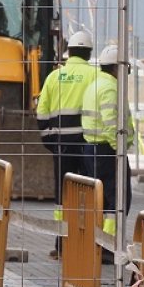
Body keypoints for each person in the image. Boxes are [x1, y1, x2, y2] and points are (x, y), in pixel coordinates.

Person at [36, 29, 99, 257]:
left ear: (68, 52)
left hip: (62, 145)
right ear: (89, 53)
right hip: (88, 144)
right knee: (89, 193)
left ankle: (62, 244)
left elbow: (41, 113)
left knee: (63, 196)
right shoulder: (96, 76)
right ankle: (86, 243)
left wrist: (51, 142)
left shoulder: (55, 76)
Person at [81, 44, 135, 264]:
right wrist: (119, 149)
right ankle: (108, 244)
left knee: (101, 198)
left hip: (93, 149)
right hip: (108, 150)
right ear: (117, 68)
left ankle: (99, 242)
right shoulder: (111, 88)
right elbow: (111, 123)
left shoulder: (95, 84)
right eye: (126, 68)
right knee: (118, 199)